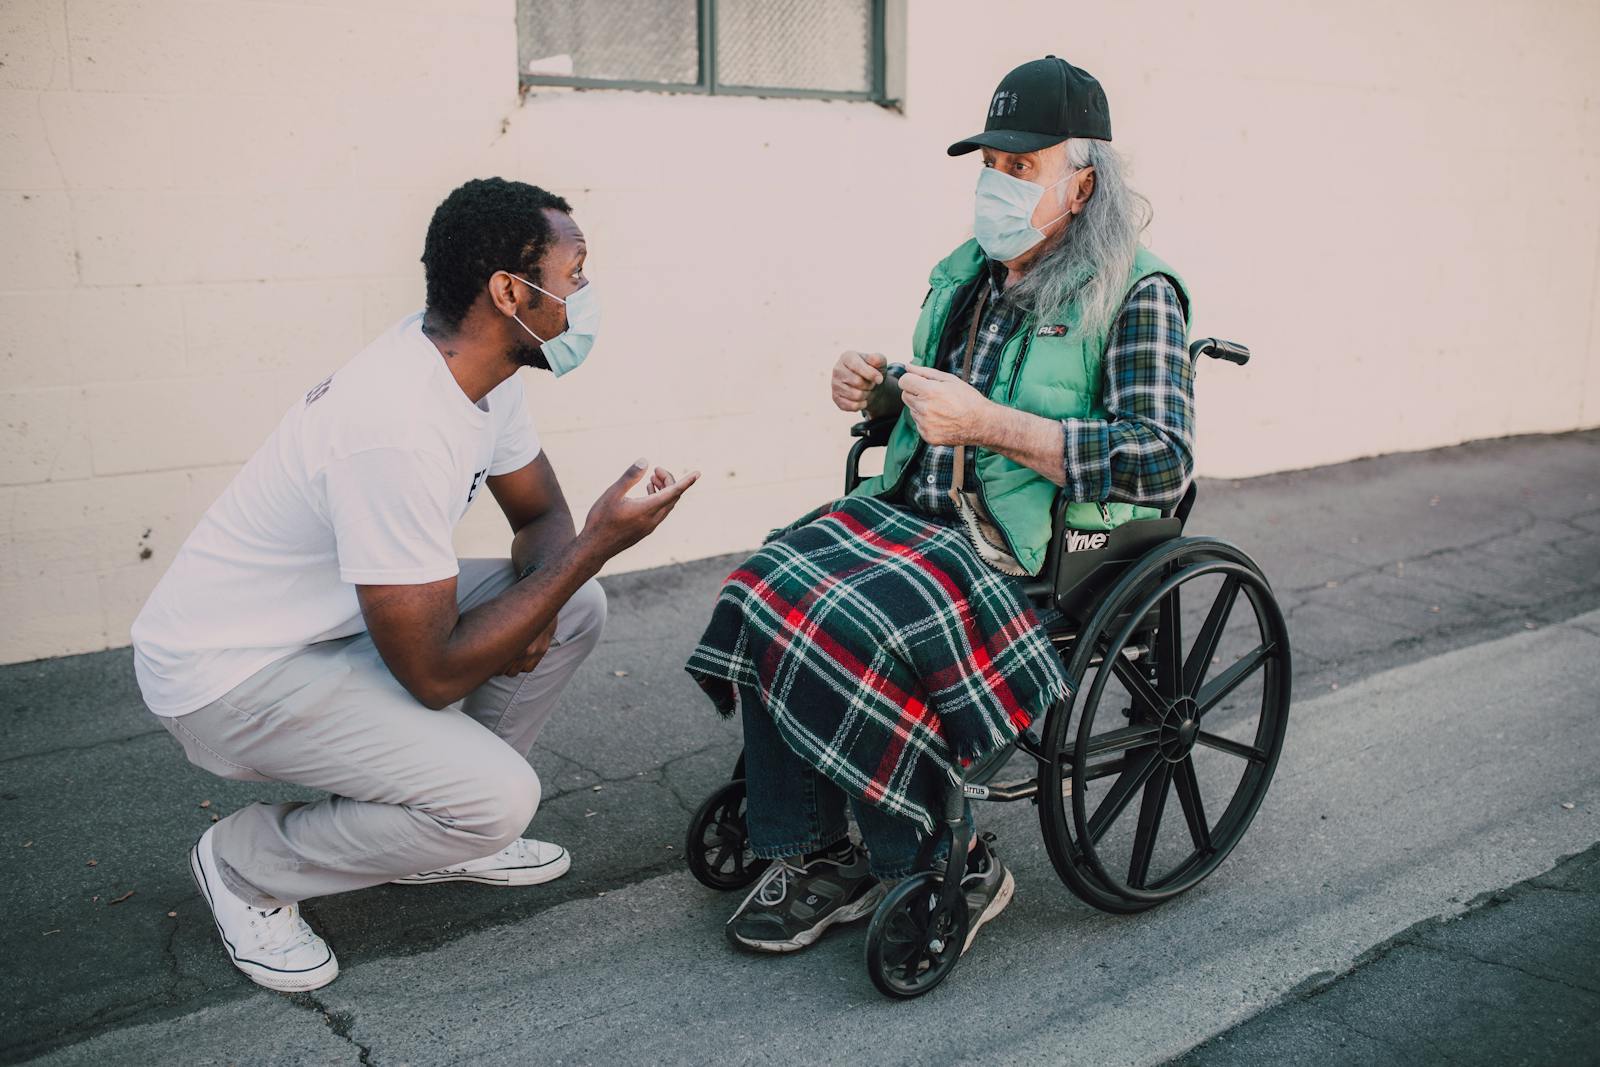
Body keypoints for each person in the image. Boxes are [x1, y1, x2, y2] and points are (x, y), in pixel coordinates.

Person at [131, 177, 699, 992]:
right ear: (510, 291)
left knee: (571, 604)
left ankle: (444, 827)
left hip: (325, 628)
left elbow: (541, 516)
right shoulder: (393, 424)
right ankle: (248, 866)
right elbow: (433, 674)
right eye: (576, 271)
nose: (586, 292)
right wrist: (596, 547)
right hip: (225, 675)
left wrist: (554, 585)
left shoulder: (478, 370)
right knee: (501, 793)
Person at [686, 56, 1194, 958]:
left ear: (1081, 186)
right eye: (989, 166)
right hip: (907, 509)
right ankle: (818, 845)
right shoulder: (970, 269)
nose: (997, 186)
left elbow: (1159, 462)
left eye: (1021, 169)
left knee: (854, 622)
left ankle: (941, 856)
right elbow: (939, 398)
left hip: (1013, 545)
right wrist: (881, 391)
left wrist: (997, 426)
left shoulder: (1137, 292)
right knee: (766, 582)